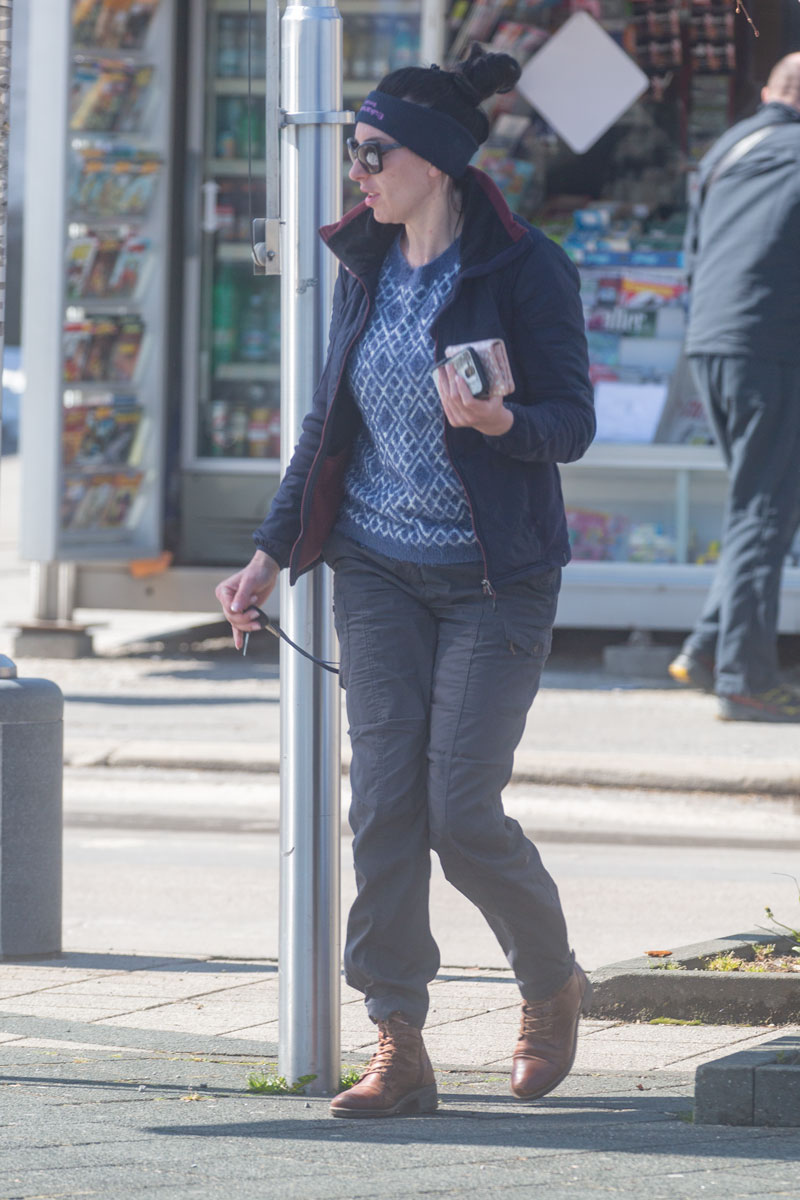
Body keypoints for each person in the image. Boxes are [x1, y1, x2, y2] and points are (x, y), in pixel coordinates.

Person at [216, 46, 596, 1117]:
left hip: (493, 578)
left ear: (433, 160)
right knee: (383, 805)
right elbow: (326, 425)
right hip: (377, 569)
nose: (358, 172)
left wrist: (502, 423)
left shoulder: (524, 268)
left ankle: (550, 984)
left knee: (459, 811)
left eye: (372, 153)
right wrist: (267, 555)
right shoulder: (367, 262)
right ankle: (398, 1040)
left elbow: (571, 421)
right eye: (355, 150)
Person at [669, 53, 800, 723]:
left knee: (754, 503)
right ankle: (746, 680)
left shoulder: (728, 149)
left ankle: (705, 649)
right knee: (766, 511)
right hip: (772, 348)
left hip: (712, 345)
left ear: (768, 90)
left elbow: (694, 255)